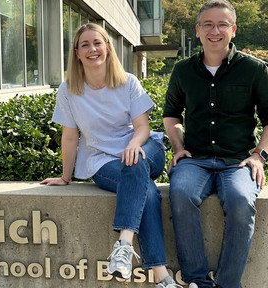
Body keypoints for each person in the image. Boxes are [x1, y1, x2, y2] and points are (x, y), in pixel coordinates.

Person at [40, 23, 180, 288]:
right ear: (77, 53)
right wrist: (65, 176)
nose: (92, 49)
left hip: (144, 149)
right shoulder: (68, 90)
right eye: (85, 45)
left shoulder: (128, 82)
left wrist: (133, 145)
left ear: (107, 47)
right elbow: (70, 136)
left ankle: (124, 245)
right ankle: (162, 278)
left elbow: (142, 128)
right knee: (146, 191)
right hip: (103, 161)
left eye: (97, 43)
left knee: (135, 161)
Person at [162, 1, 268, 287]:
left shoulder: (255, 69)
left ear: (233, 30)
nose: (214, 31)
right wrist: (179, 147)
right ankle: (198, 281)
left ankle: (228, 283)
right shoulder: (183, 70)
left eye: (222, 25)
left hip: (238, 161)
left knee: (241, 201)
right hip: (195, 159)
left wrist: (259, 156)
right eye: (208, 24)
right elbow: (171, 114)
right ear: (197, 30)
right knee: (179, 194)